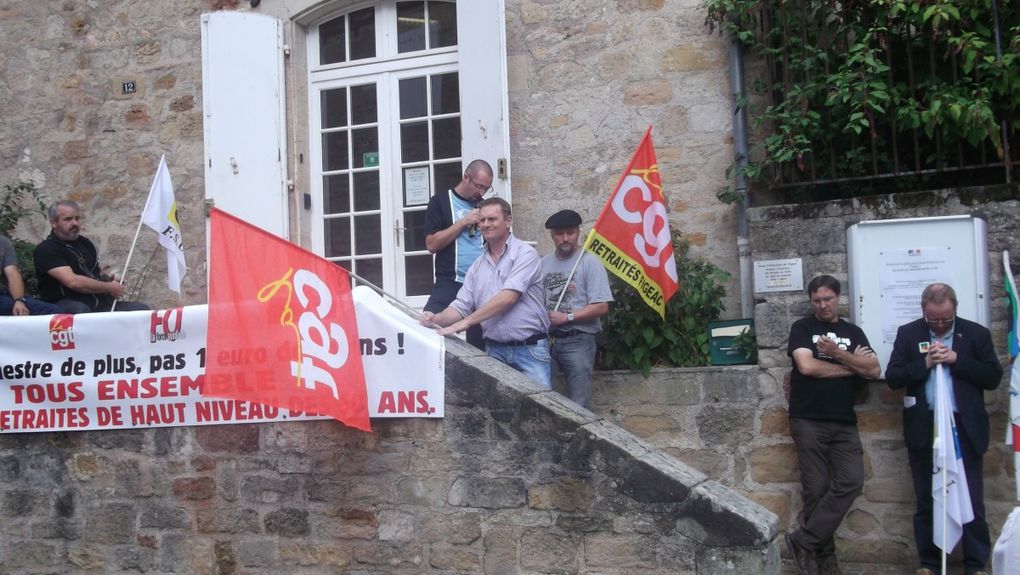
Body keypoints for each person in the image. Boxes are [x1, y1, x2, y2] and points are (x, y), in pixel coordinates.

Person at [885, 283, 1002, 575]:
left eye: (945, 319)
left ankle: (975, 564)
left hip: (964, 428)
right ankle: (929, 563)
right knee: (927, 497)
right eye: (933, 319)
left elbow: (992, 377)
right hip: (926, 426)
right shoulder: (909, 333)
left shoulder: (975, 334)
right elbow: (894, 377)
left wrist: (957, 360)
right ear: (924, 311)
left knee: (971, 498)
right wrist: (924, 363)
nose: (939, 324)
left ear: (955, 309)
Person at [785, 275, 880, 575]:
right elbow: (807, 366)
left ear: (838, 297)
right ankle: (826, 563)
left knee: (852, 480)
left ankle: (803, 541)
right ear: (811, 301)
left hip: (843, 421)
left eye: (827, 299)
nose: (823, 305)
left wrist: (838, 353)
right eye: (817, 300)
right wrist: (852, 367)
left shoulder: (853, 332)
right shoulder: (803, 328)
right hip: (808, 418)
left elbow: (874, 370)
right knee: (816, 490)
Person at [421, 197, 550, 387]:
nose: (486, 225)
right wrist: (435, 319)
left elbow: (508, 297)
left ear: (508, 221)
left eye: (492, 219)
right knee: (498, 415)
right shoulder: (476, 266)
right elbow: (461, 305)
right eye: (482, 220)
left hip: (529, 350)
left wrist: (465, 323)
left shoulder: (525, 254)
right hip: (494, 351)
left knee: (543, 413)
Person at [541, 209, 613, 409]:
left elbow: (601, 306)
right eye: (559, 234)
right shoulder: (543, 263)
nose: (565, 238)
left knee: (579, 402)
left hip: (579, 340)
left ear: (578, 232)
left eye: (570, 233)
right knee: (541, 396)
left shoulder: (590, 262)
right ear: (552, 235)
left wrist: (567, 317)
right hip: (548, 341)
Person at [423, 159, 494, 350]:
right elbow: (431, 245)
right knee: (428, 327)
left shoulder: (486, 206)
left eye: (486, 189)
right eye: (479, 186)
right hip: (450, 280)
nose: (481, 193)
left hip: (482, 284)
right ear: (465, 177)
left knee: (482, 345)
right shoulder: (440, 202)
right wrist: (463, 222)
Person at [33, 200, 150, 314]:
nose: (74, 223)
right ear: (54, 223)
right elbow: (73, 282)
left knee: (141, 310)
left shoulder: (86, 244)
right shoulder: (46, 249)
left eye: (77, 218)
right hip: (65, 305)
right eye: (68, 219)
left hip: (97, 303)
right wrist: (108, 287)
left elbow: (93, 273)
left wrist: (110, 280)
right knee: (81, 311)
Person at [0, 233, 61, 316]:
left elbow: (12, 274)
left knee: (54, 311)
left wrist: (19, 300)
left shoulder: (3, 242)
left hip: (4, 295)